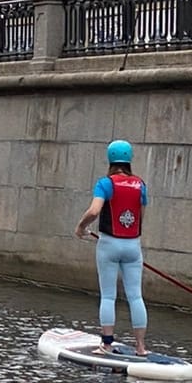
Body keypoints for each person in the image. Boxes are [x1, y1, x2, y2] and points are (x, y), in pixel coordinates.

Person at [75, 138, 149, 356]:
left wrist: (81, 227)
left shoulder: (105, 184)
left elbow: (95, 211)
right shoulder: (140, 184)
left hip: (108, 243)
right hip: (133, 245)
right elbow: (140, 215)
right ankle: (141, 348)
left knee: (108, 296)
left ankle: (106, 344)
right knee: (136, 296)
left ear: (110, 159)